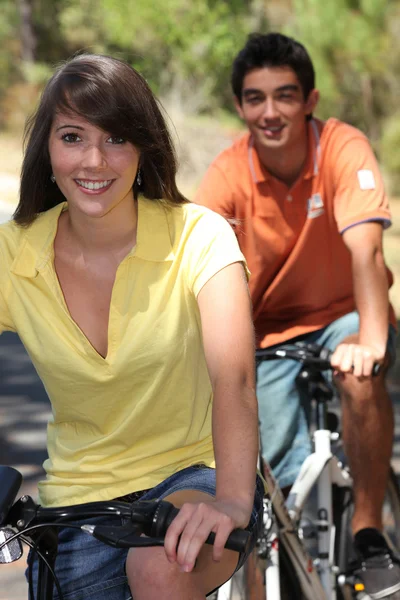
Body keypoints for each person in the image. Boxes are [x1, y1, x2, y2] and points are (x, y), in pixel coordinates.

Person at [1, 54, 263, 600]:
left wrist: (235, 499)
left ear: (144, 149)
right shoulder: (14, 252)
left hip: (195, 475)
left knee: (159, 566)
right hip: (75, 505)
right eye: (72, 137)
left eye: (117, 138)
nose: (94, 160)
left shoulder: (200, 237)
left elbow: (233, 378)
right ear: (46, 149)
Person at [194, 32, 399, 599]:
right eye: (255, 99)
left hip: (345, 315)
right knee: (270, 486)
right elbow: (198, 269)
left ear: (309, 100)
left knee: (359, 377)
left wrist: (373, 341)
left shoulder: (341, 146)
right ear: (240, 107)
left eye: (285, 96)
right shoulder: (229, 173)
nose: (270, 111)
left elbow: (368, 251)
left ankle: (367, 529)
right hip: (268, 330)